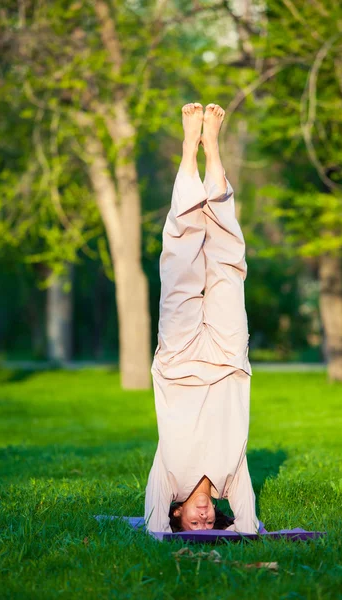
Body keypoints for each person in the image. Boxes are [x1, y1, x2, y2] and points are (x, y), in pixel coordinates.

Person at [144, 102, 259, 533]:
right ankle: (213, 148)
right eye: (210, 525)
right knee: (229, 261)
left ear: (177, 513)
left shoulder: (168, 478)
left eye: (192, 526)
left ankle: (189, 148)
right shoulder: (233, 478)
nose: (204, 519)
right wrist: (234, 533)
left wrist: (163, 531)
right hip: (229, 361)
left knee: (180, 259)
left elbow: (154, 528)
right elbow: (246, 527)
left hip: (177, 362)